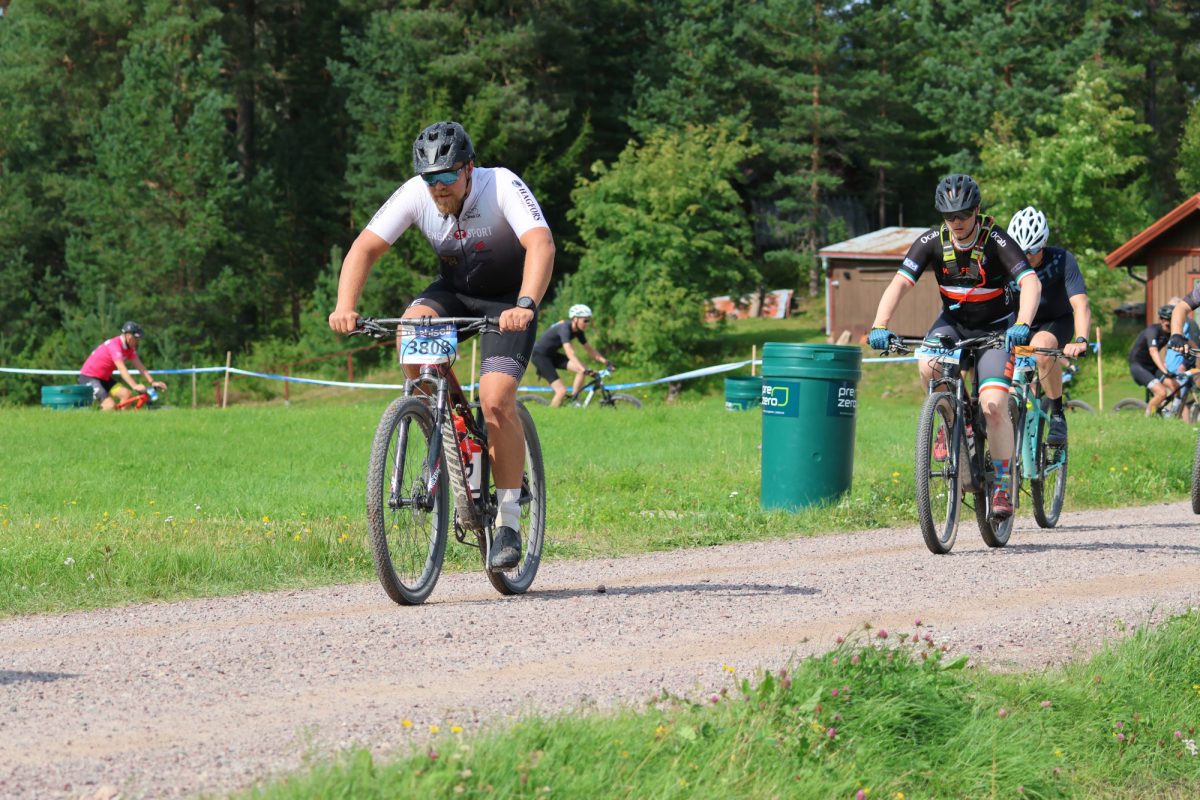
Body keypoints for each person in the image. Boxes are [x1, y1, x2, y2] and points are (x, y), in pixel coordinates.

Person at [328, 120, 554, 570]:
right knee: (410, 331)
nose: (438, 187)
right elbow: (364, 248)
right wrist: (345, 305)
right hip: (454, 293)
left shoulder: (500, 184)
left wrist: (526, 303)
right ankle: (452, 427)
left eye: (448, 175)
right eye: (430, 178)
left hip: (507, 301)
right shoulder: (417, 193)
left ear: (468, 168)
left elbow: (540, 244)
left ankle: (509, 520)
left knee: (496, 399)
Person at [868, 174, 1040, 520]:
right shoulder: (931, 241)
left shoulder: (996, 240)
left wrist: (1023, 323)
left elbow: (1030, 282)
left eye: (963, 214)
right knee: (927, 364)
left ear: (977, 210)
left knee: (993, 406)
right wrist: (879, 324)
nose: (956, 222)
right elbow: (900, 283)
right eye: (949, 216)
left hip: (996, 328)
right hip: (953, 323)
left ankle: (1002, 484)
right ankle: (950, 420)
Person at [1006, 206, 1091, 445]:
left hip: (1055, 321)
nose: (1026, 257)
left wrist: (1081, 340)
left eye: (1032, 250)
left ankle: (1057, 414)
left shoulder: (1062, 259)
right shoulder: (1005, 262)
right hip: (1019, 325)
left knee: (1041, 348)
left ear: (1043, 244)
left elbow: (1081, 304)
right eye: (1020, 251)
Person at [530, 304, 611, 407]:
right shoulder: (565, 328)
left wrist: (606, 362)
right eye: (585, 320)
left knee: (582, 369)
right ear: (575, 319)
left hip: (552, 355)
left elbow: (589, 349)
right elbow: (569, 351)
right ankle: (550, 414)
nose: (587, 323)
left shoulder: (578, 331)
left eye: (589, 321)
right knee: (561, 391)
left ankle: (574, 399)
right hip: (540, 356)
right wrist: (582, 368)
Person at [78, 321, 168, 411]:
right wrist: (134, 385)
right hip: (89, 377)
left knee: (127, 395)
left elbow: (140, 366)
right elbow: (122, 369)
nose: (138, 341)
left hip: (104, 379)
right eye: (136, 338)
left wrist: (152, 382)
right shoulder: (115, 345)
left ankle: (122, 419)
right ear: (128, 336)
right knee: (110, 406)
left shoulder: (129, 348)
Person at [1129, 304, 1178, 417]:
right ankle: (1147, 419)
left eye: (1172, 321)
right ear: (1161, 320)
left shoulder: (1171, 332)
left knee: (1175, 386)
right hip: (1139, 366)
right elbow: (1153, 352)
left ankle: (1173, 416)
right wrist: (1165, 370)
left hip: (1152, 366)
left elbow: (1187, 342)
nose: (1169, 325)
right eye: (1167, 322)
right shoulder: (1152, 331)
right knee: (1161, 393)